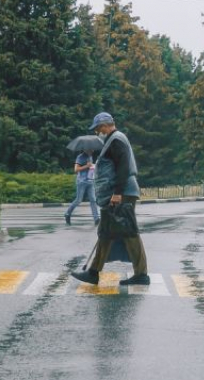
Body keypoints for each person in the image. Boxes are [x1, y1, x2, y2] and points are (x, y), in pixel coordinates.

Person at [72, 112, 150, 286]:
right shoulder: (113, 139)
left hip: (122, 193)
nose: (98, 132)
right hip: (119, 193)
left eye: (99, 128)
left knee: (129, 231)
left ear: (106, 125)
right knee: (107, 232)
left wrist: (117, 193)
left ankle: (141, 274)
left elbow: (123, 167)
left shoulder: (116, 140)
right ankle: (93, 272)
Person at [64, 149, 99, 226]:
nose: (92, 150)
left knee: (93, 199)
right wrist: (87, 166)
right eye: (91, 149)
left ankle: (96, 218)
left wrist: (93, 167)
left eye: (93, 149)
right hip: (81, 181)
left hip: (90, 181)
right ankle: (67, 213)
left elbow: (90, 168)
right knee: (78, 200)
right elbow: (76, 169)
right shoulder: (80, 157)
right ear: (86, 149)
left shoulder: (90, 156)